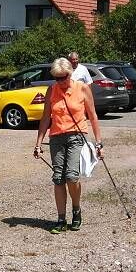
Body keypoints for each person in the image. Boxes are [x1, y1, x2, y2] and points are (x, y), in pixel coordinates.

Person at [34, 57, 103, 233]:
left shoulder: (82, 88)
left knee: (72, 176)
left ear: (70, 74)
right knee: (58, 178)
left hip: (76, 136)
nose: (60, 81)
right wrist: (38, 143)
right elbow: (45, 118)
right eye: (57, 78)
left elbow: (93, 116)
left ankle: (76, 210)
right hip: (56, 137)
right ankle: (61, 219)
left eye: (63, 77)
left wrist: (99, 142)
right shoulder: (51, 90)